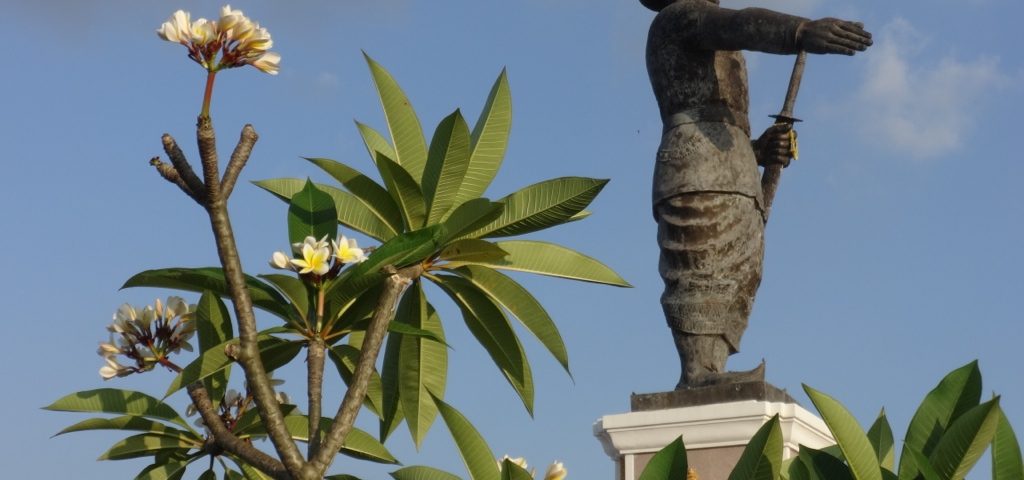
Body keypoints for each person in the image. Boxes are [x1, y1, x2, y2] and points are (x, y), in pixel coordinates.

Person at [642, 0, 872, 388]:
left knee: (738, 271)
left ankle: (711, 367)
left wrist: (758, 151)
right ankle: (697, 370)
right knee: (700, 267)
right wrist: (800, 32)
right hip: (696, 164)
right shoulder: (678, 17)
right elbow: (741, 24)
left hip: (732, 168)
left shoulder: (701, 25)